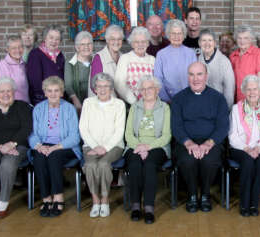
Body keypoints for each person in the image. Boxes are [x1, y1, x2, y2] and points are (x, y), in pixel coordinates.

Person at [171, 62, 229, 213]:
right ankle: (191, 195)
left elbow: (223, 126)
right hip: (186, 142)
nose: (195, 79)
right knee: (188, 160)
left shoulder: (218, 98)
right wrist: (188, 143)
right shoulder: (178, 99)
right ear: (187, 77)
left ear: (206, 76)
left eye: (199, 74)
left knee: (209, 160)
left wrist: (208, 144)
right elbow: (176, 126)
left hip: (211, 141)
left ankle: (205, 195)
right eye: (191, 74)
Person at [28, 76, 82, 217]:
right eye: (49, 91)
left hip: (65, 147)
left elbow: (74, 137)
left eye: (56, 91)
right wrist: (38, 146)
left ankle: (58, 197)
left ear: (62, 93)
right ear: (45, 93)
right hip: (43, 145)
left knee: (54, 156)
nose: (53, 94)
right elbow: (33, 134)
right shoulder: (38, 109)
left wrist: (55, 147)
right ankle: (46, 198)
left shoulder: (69, 108)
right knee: (38, 158)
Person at [0, 78, 32, 220]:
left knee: (7, 165)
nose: (6, 94)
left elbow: (26, 128)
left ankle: (3, 202)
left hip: (18, 145)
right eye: (2, 91)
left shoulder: (22, 107)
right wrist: (0, 146)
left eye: (9, 90)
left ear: (14, 92)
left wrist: (11, 144)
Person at [124, 75, 171, 224]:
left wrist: (148, 147)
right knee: (135, 165)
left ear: (157, 90)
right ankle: (136, 206)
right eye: (143, 89)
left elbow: (166, 135)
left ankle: (149, 207)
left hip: (157, 146)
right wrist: (139, 146)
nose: (146, 91)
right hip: (135, 146)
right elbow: (128, 134)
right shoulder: (134, 107)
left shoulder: (165, 107)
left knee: (150, 165)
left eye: (150, 88)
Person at [79, 73, 125, 218]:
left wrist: (105, 147)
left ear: (111, 88)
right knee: (91, 166)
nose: (102, 89)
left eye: (106, 86)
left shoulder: (119, 104)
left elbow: (119, 130)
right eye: (99, 86)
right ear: (95, 88)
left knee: (104, 164)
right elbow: (83, 128)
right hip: (90, 145)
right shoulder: (87, 102)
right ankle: (95, 200)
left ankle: (105, 200)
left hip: (114, 146)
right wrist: (95, 146)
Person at [229, 75, 260, 217]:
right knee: (247, 162)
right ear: (244, 91)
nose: (252, 92)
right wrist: (247, 149)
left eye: (255, 89)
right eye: (249, 89)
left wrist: (258, 148)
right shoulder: (236, 109)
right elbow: (232, 136)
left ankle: (254, 203)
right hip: (240, 148)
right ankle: (244, 203)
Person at [154, 19, 198, 103]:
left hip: (188, 99)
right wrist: (167, 99)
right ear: (168, 35)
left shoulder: (190, 53)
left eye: (179, 34)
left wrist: (189, 97)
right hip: (167, 101)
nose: (176, 37)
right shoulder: (161, 54)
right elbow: (158, 79)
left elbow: (195, 78)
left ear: (184, 35)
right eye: (173, 33)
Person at [114, 27, 155, 104]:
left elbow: (156, 84)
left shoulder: (152, 60)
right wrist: (134, 102)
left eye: (143, 41)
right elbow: (119, 84)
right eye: (137, 42)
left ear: (148, 43)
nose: (140, 44)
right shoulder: (125, 58)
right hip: (130, 104)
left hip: (150, 103)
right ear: (132, 44)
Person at [26, 24, 65, 105]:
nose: (54, 41)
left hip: (58, 99)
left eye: (57, 39)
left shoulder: (60, 55)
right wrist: (51, 96)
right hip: (42, 100)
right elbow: (35, 82)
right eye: (51, 37)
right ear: (45, 38)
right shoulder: (35, 54)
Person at [229, 25, 260, 102]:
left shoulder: (259, 54)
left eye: (246, 38)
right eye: (239, 38)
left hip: (253, 100)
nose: (242, 41)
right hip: (236, 101)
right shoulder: (233, 56)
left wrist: (255, 101)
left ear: (251, 39)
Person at [198, 29, 235, 108]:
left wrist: (225, 110)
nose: (207, 43)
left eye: (210, 40)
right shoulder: (198, 60)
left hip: (218, 108)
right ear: (199, 43)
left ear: (215, 43)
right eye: (204, 40)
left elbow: (229, 90)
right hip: (201, 106)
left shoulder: (224, 61)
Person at [89, 25, 123, 97]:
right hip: (102, 103)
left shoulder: (124, 57)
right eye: (112, 39)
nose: (116, 42)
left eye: (119, 39)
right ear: (107, 40)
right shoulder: (98, 58)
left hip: (121, 103)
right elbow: (94, 86)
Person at [65, 31, 94, 111]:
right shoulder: (70, 63)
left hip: (94, 103)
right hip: (76, 104)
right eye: (82, 44)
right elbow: (68, 85)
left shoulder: (96, 61)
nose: (86, 47)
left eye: (89, 44)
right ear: (77, 47)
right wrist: (76, 101)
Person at [0, 36, 30, 103]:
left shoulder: (24, 64)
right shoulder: (3, 64)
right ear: (8, 49)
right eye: (13, 48)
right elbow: (3, 89)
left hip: (26, 103)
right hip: (12, 105)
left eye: (20, 47)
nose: (17, 50)